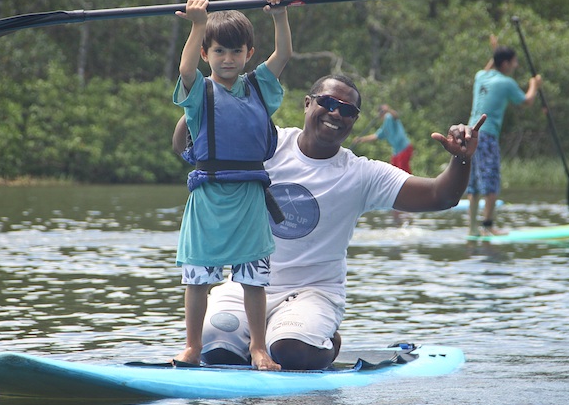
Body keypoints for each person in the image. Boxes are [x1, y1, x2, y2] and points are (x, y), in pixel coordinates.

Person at [173, 74, 486, 370]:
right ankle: (257, 340)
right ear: (307, 103)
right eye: (328, 103)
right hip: (246, 286)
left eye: (347, 110)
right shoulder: (265, 143)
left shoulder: (361, 174)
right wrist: (209, 92)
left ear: (354, 121)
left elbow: (440, 196)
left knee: (290, 351)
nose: (336, 113)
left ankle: (326, 342)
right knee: (216, 349)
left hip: (313, 292)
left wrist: (461, 158)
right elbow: (185, 145)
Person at [171, 0, 292, 370]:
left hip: (249, 196)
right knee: (197, 278)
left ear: (248, 53)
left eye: (236, 52)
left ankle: (258, 348)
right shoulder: (198, 92)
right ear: (206, 54)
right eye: (219, 51)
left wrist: (279, 15)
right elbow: (185, 70)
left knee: (254, 279)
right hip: (208, 196)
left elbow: (284, 54)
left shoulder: (258, 86)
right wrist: (198, 25)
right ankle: (192, 347)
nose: (228, 59)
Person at [466, 34, 541, 236]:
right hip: (486, 136)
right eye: (514, 62)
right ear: (506, 63)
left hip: (468, 135)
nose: (516, 65)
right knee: (491, 182)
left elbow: (490, 67)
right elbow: (527, 101)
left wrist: (496, 50)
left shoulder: (480, 76)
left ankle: (472, 229)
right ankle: (488, 226)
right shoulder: (506, 83)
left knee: (473, 186)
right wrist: (534, 84)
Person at [352, 104, 414, 173]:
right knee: (394, 170)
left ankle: (411, 180)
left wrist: (388, 110)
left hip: (404, 148)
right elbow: (375, 136)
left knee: (403, 172)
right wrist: (360, 139)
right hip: (396, 151)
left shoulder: (389, 117)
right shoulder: (385, 127)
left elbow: (396, 116)